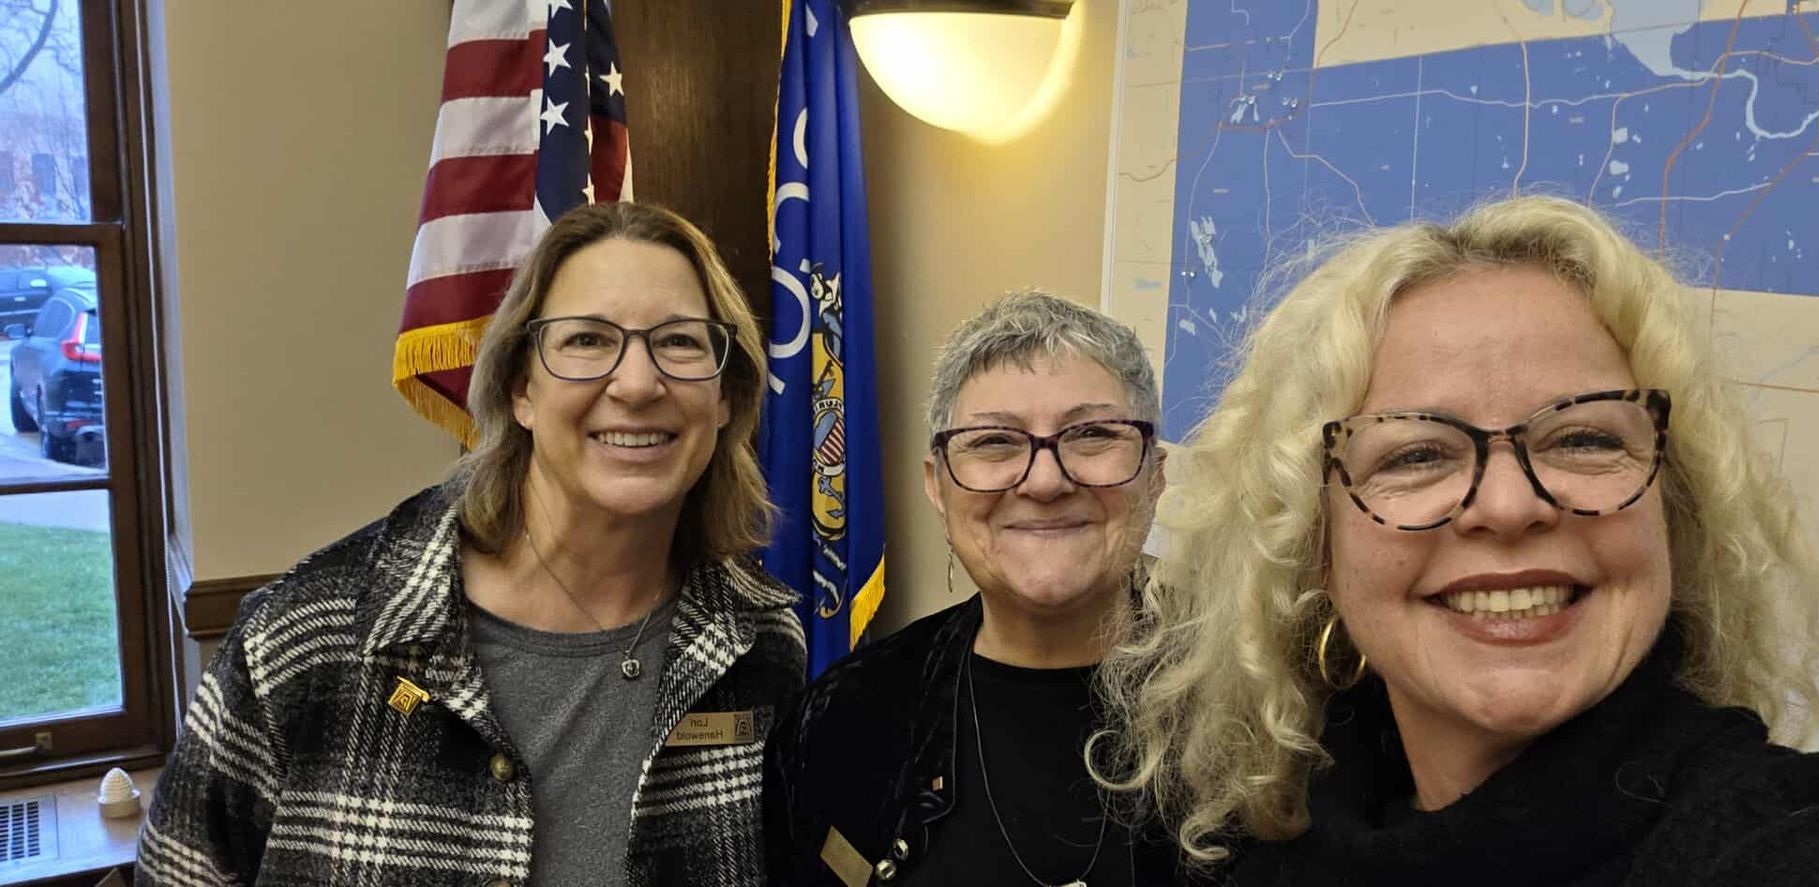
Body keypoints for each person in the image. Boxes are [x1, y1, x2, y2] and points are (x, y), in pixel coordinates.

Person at [1097, 195, 1819, 886]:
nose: (1507, 502)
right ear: (1318, 546)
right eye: (1416, 452)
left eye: (1584, 439)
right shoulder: (1265, 843)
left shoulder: (1805, 844)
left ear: (1675, 510)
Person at [137, 202, 805, 886]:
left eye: (680, 342)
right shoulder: (301, 642)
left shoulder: (758, 647)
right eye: (586, 340)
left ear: (726, 396)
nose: (636, 384)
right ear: (521, 388)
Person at [765, 291, 1178, 885]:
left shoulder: (1263, 707)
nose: (1044, 480)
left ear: (1154, 475)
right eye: (994, 442)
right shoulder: (844, 721)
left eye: (1091, 435)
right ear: (937, 486)